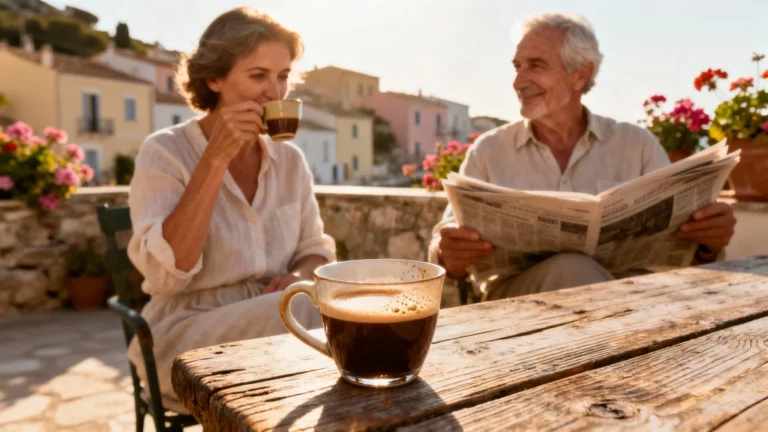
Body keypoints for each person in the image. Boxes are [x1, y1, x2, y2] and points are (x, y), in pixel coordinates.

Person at [429, 13, 736, 301]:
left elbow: (683, 247)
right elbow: (444, 241)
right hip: (517, 304)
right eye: (517, 66)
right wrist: (447, 253)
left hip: (631, 299)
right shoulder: (489, 150)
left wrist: (709, 242)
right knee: (571, 268)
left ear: (580, 74)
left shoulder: (637, 145)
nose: (518, 81)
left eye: (535, 65)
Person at [126, 8, 335, 413]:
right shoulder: (164, 151)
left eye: (283, 75)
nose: (275, 93)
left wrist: (298, 274)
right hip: (185, 335)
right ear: (215, 78)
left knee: (335, 296)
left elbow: (317, 250)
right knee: (318, 312)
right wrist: (214, 160)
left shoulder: (290, 161)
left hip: (275, 325)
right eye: (258, 76)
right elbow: (167, 275)